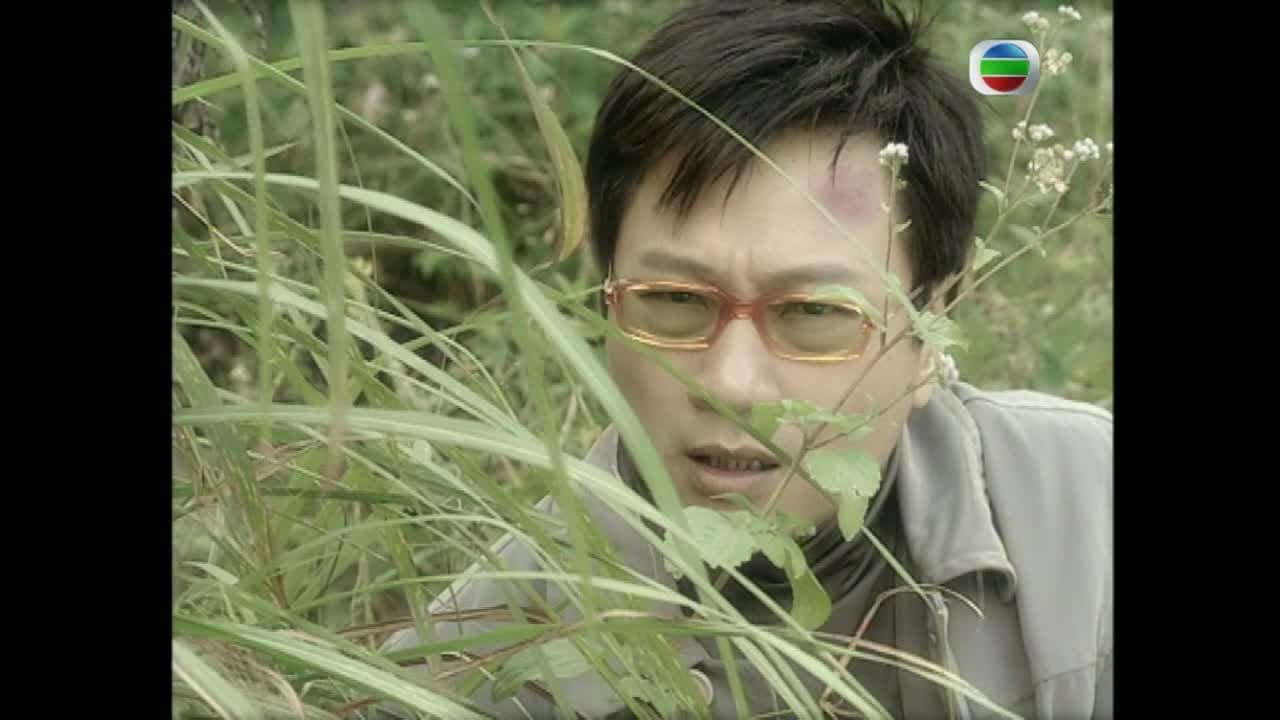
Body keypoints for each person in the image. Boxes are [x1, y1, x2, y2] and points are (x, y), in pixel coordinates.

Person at [379, 1, 1113, 718]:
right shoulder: (477, 661)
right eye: (674, 301)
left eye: (813, 313)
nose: (731, 384)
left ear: (931, 329)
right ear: (606, 300)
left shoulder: (1088, 510)